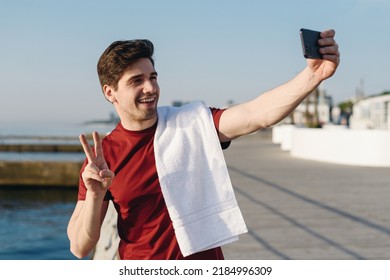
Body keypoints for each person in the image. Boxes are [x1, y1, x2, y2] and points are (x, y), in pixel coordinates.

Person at [67, 30, 340, 260]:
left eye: (152, 77)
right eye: (136, 81)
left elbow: (257, 114)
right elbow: (80, 247)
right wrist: (95, 195)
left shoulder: (191, 123)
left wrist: (313, 77)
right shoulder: (103, 157)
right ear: (110, 92)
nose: (150, 88)